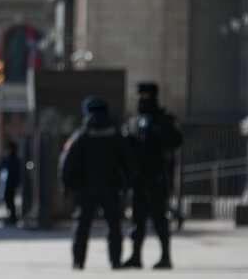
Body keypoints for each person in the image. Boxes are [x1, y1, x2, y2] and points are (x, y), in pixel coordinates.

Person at [59, 96, 134, 269]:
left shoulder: (82, 135)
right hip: (111, 187)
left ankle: (78, 261)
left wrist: (66, 185)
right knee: (113, 225)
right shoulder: (116, 135)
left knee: (82, 226)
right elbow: (129, 161)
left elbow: (66, 162)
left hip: (85, 188)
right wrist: (126, 183)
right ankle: (115, 261)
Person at [122, 81, 183, 269]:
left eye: (144, 96)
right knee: (137, 221)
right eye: (138, 96)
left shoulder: (164, 119)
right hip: (137, 179)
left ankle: (165, 256)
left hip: (157, 177)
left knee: (159, 219)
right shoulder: (133, 121)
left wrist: (157, 131)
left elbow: (175, 142)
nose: (140, 99)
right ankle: (135, 256)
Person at [0, 140, 22, 226]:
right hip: (9, 183)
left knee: (10, 201)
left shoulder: (13, 159)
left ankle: (13, 217)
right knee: (9, 201)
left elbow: (12, 172)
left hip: (11, 183)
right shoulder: (10, 158)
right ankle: (12, 216)